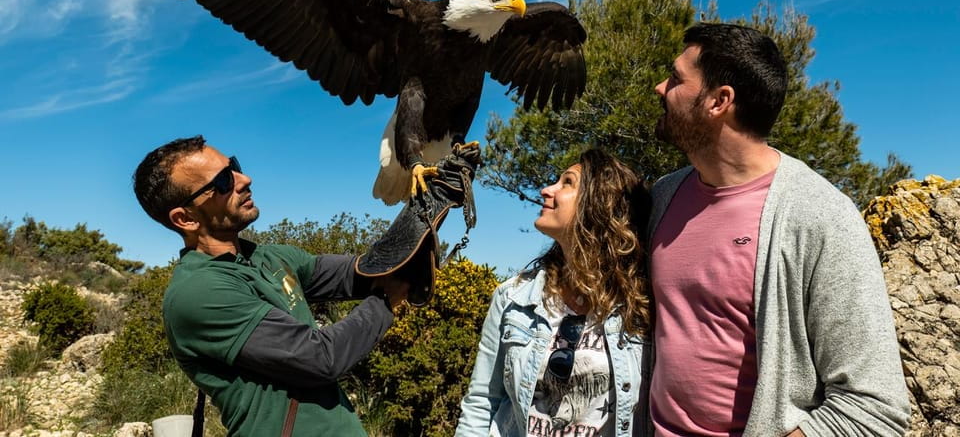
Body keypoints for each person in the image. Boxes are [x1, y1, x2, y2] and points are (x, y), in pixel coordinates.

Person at [647, 23, 910, 436]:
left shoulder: (820, 216)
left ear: (719, 101)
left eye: (677, 79)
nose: (660, 88)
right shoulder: (663, 196)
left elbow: (875, 406)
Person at [132, 135, 472, 436]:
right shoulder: (200, 293)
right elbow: (321, 357)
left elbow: (362, 271)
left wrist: (426, 205)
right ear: (185, 218)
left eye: (233, 166)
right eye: (223, 181)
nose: (244, 179)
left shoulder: (268, 257)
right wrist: (387, 299)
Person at [456, 149, 652, 437]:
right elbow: (482, 402)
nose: (547, 190)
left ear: (599, 202)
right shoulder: (512, 298)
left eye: (567, 182)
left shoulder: (642, 303)